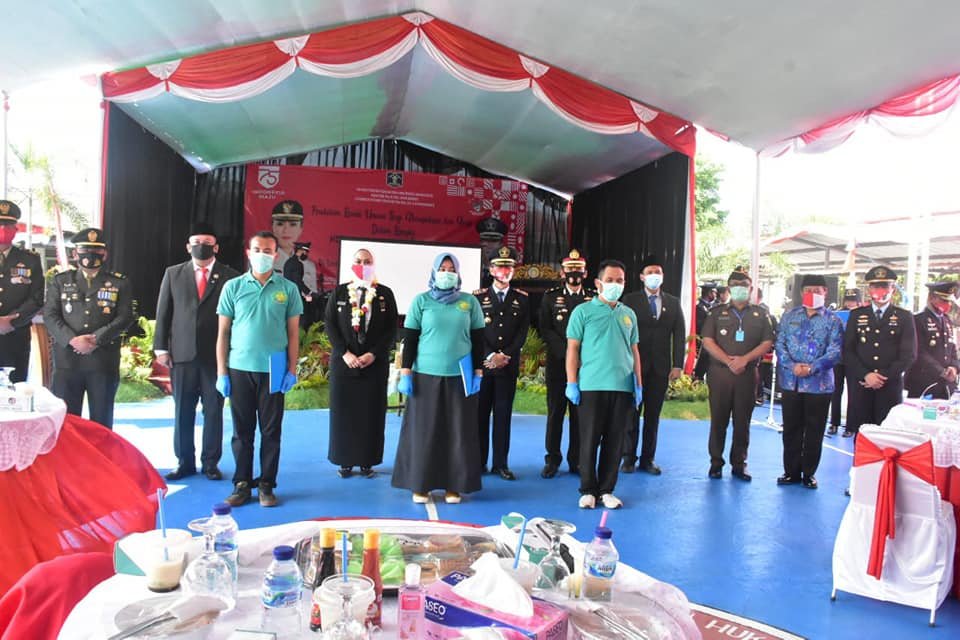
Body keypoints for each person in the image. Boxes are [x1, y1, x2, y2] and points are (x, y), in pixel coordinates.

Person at [216, 231, 302, 507]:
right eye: (257, 250)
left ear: (276, 256)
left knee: (271, 431)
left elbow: (293, 333)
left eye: (267, 251)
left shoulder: (288, 289)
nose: (262, 255)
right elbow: (223, 333)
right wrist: (222, 372)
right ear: (248, 253)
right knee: (242, 431)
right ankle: (241, 484)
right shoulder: (233, 287)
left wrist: (292, 369)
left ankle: (266, 484)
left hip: (274, 367)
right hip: (239, 367)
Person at [392, 253, 485, 504]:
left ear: (458, 273)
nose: (446, 273)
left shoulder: (469, 302)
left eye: (451, 269)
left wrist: (478, 372)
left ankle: (454, 486)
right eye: (442, 269)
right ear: (434, 272)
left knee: (457, 432)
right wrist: (406, 372)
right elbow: (410, 339)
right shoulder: (421, 301)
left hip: (460, 377)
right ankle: (420, 485)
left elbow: (478, 339)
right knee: (424, 431)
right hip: (425, 376)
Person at [154, 223, 240, 481]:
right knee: (183, 410)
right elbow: (163, 312)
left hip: (216, 357)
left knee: (213, 411)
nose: (201, 246)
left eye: (207, 243)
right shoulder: (173, 273)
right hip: (182, 355)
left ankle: (210, 463)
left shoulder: (230, 276)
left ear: (216, 247)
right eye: (196, 242)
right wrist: (161, 348)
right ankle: (184, 462)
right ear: (188, 246)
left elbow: (236, 317)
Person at [565, 259, 642, 509]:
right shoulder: (583, 312)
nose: (615, 284)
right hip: (591, 385)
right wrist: (572, 382)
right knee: (589, 439)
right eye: (610, 280)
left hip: (622, 386)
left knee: (615, 441)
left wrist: (638, 384)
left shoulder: (628, 314)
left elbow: (634, 351)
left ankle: (607, 490)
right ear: (598, 283)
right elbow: (572, 349)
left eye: (619, 280)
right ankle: (588, 489)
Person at [43, 228, 133, 429]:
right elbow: (50, 315)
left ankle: (100, 452)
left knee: (102, 422)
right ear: (75, 254)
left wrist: (97, 338)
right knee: (66, 422)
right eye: (84, 250)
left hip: (102, 360)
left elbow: (125, 317)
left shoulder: (119, 282)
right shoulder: (60, 281)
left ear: (105, 254)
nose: (90, 255)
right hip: (67, 361)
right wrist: (72, 340)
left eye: (97, 251)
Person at [324, 248, 398, 478]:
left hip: (373, 365)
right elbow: (330, 325)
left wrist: (373, 354)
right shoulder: (339, 292)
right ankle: (344, 461)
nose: (363, 265)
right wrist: (344, 353)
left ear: (373, 265)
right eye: (359, 261)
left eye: (367, 261)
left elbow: (391, 329)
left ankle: (368, 461)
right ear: (351, 264)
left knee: (371, 414)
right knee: (343, 414)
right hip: (344, 365)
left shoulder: (384, 294)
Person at [701, 267, 775, 481]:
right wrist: (728, 361)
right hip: (720, 374)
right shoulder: (716, 312)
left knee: (743, 422)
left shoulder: (761, 314)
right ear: (729, 288)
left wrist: (744, 359)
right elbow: (707, 341)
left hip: (747, 374)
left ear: (751, 289)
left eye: (744, 285)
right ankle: (716, 463)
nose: (739, 289)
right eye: (735, 285)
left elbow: (767, 342)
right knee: (718, 420)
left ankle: (739, 464)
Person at [774, 274, 844, 489]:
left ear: (825, 292)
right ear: (801, 292)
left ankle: (809, 473)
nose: (812, 294)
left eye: (817, 290)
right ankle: (791, 472)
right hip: (791, 381)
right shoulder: (789, 316)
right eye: (808, 290)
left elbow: (835, 351)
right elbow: (780, 344)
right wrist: (791, 365)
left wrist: (812, 368)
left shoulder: (833, 321)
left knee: (815, 430)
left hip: (819, 385)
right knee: (791, 429)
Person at [621, 256, 685, 475]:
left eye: (657, 272)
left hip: (660, 367)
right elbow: (622, 332)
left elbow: (679, 334)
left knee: (652, 416)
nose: (654, 276)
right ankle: (628, 457)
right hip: (633, 367)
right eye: (650, 272)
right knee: (631, 414)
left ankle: (648, 459)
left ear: (663, 276)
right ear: (642, 277)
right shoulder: (630, 300)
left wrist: (677, 364)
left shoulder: (673, 303)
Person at [539, 249, 595, 479]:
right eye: (570, 270)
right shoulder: (550, 297)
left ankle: (576, 460)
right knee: (555, 414)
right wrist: (567, 354)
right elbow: (545, 328)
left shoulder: (593, 298)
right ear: (562, 273)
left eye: (578, 270)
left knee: (579, 415)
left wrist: (582, 356)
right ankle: (552, 460)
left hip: (585, 365)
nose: (574, 274)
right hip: (558, 364)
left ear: (585, 273)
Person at [475, 246, 530, 480]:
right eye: (500, 266)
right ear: (491, 269)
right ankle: (478, 462)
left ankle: (500, 464)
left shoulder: (522, 299)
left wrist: (505, 355)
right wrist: (490, 356)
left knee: (503, 416)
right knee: (480, 416)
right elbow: (475, 332)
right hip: (484, 367)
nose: (504, 271)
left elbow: (522, 333)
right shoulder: (478, 297)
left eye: (509, 267)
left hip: (507, 366)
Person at [843, 265, 916, 437]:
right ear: (869, 289)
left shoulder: (904, 317)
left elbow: (909, 355)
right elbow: (848, 350)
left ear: (893, 289)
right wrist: (866, 375)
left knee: (888, 437)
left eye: (885, 286)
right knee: (862, 437)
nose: (880, 290)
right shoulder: (856, 315)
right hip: (862, 386)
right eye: (875, 286)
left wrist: (882, 376)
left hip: (889, 387)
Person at [0, 201, 43, 383]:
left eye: (8, 225)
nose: (3, 228)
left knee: (15, 390)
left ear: (15, 229)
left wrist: (12, 320)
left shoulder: (30, 259)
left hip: (15, 336)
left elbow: (37, 297)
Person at [904, 281, 959, 399]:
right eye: (943, 300)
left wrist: (954, 367)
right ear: (931, 298)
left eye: (949, 301)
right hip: (923, 382)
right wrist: (941, 371)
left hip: (945, 385)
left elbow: (952, 348)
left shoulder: (947, 321)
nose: (947, 304)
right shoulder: (917, 320)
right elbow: (919, 352)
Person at [272, 200, 319, 324]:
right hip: (289, 300)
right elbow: (297, 281)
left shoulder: (307, 265)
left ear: (301, 228)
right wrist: (308, 293)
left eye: (293, 224)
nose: (286, 230)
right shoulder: (292, 263)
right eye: (280, 223)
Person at [827, 288, 862, 436]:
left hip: (855, 359)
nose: (850, 303)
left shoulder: (863, 316)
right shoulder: (837, 315)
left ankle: (850, 426)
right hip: (838, 358)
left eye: (853, 300)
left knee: (854, 393)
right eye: (848, 300)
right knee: (836, 391)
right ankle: (834, 423)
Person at [693, 283, 717, 381]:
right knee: (699, 372)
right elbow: (700, 327)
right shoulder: (699, 308)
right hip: (701, 346)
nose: (715, 295)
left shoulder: (712, 307)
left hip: (710, 347)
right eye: (714, 292)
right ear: (709, 293)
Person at [476, 217, 508, 289]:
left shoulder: (508, 272)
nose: (489, 245)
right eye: (485, 240)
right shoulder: (471, 267)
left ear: (501, 246)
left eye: (493, 241)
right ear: (480, 243)